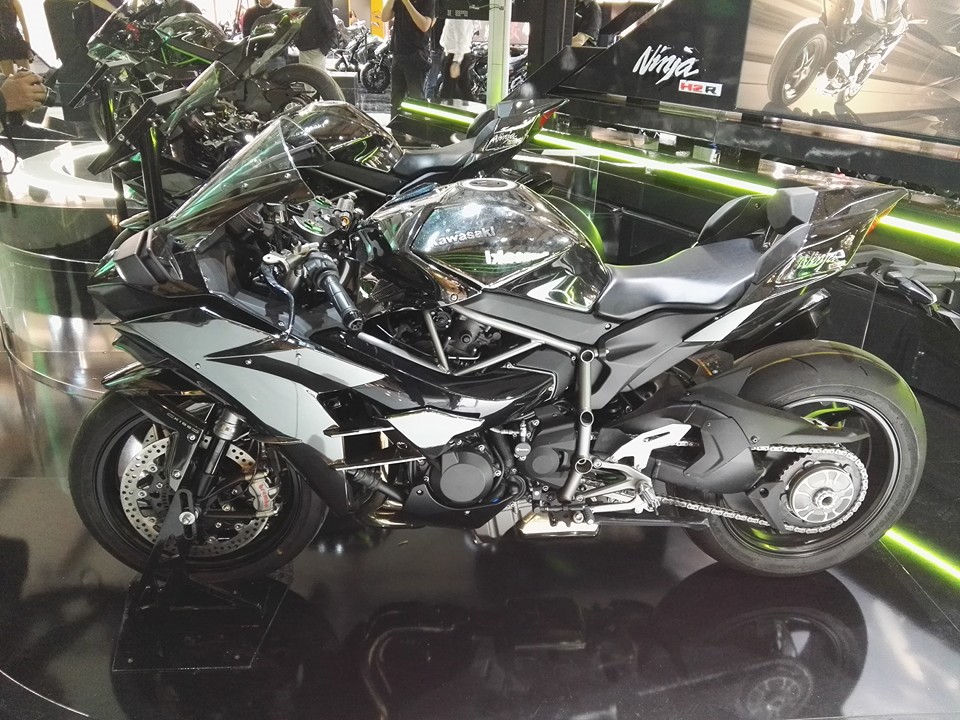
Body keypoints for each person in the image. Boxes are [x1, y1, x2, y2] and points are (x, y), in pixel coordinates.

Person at [382, 0, 434, 114]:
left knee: (416, 99)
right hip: (398, 53)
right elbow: (384, 17)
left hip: (416, 54)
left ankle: (418, 125)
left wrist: (407, 3)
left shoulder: (428, 1)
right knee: (396, 99)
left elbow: (424, 25)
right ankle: (396, 124)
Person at [439, 18, 474, 101]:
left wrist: (456, 61)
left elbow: (461, 38)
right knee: (464, 91)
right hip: (457, 54)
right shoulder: (455, 15)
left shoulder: (458, 16)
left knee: (447, 92)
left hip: (455, 55)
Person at [296, 0, 337, 69]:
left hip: (315, 50)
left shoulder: (319, 1)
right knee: (305, 75)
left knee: (313, 75)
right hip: (305, 48)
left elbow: (330, 26)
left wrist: (323, 49)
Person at [0, 0, 31, 77]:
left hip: (14, 42)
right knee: (10, 77)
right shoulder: (14, 2)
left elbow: (23, 24)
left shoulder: (14, 1)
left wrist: (28, 45)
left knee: (26, 75)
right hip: (7, 43)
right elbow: (23, 24)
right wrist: (28, 45)